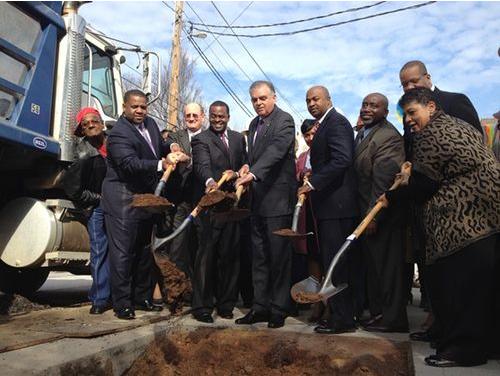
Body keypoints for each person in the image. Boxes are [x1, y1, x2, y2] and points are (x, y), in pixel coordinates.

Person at [378, 87, 500, 367]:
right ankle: (483, 345)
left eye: (412, 112)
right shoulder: (456, 125)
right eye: (405, 115)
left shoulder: (432, 134)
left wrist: (391, 195)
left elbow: (424, 185)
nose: (408, 120)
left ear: (431, 107)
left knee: (459, 288)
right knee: (482, 289)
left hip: (466, 223)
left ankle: (461, 350)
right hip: (487, 220)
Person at [101, 89, 189, 320]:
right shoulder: (118, 134)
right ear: (124, 106)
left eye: (143, 107)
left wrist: (172, 148)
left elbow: (160, 144)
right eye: (135, 107)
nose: (140, 111)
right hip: (122, 197)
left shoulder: (149, 124)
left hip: (144, 198)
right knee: (123, 252)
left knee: (143, 249)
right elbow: (129, 164)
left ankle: (142, 298)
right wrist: (162, 163)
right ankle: (122, 303)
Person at [234, 80, 296, 329]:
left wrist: (254, 173)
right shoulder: (253, 124)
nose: (258, 103)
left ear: (274, 97)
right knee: (258, 257)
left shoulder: (285, 120)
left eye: (263, 98)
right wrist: (248, 165)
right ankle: (260, 307)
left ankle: (279, 308)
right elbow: (258, 155)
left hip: (278, 201)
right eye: (254, 100)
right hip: (257, 202)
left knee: (279, 257)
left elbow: (277, 150)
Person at [298, 86, 358, 334]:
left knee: (337, 264)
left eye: (316, 99)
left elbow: (342, 159)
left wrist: (314, 182)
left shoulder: (337, 123)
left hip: (337, 206)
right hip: (329, 207)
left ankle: (342, 319)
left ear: (328, 100)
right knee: (332, 261)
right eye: (308, 100)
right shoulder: (324, 124)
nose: (312, 103)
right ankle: (337, 314)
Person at [353, 93, 407, 332]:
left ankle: (393, 319)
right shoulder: (363, 133)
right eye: (365, 104)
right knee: (374, 268)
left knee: (387, 269)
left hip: (380, 214)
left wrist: (373, 216)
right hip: (365, 212)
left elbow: (384, 179)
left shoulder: (388, 137)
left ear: (385, 112)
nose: (367, 109)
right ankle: (378, 314)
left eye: (374, 106)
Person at [190, 101, 247, 323]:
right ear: (209, 117)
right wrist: (211, 181)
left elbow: (244, 161)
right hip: (210, 205)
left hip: (231, 205)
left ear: (228, 116)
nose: (217, 120)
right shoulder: (201, 139)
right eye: (213, 116)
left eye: (221, 116)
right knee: (206, 256)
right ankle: (202, 306)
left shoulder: (237, 139)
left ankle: (226, 304)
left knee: (230, 256)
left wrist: (243, 169)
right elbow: (201, 166)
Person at [61, 107, 110, 314]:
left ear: (102, 122)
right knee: (99, 250)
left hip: (118, 205)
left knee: (120, 251)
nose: (90, 125)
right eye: (85, 124)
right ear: (82, 130)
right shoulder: (82, 154)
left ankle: (118, 295)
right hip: (97, 207)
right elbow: (73, 189)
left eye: (94, 120)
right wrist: (98, 199)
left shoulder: (114, 144)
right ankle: (99, 299)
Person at [399, 60, 483, 156]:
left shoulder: (455, 101)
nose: (409, 87)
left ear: (428, 78)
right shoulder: (407, 114)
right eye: (405, 84)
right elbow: (409, 145)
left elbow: (476, 140)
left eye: (414, 81)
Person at [164, 103, 205, 281]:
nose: (191, 119)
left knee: (200, 244)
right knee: (178, 245)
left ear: (202, 117)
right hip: (180, 199)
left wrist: (188, 160)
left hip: (202, 199)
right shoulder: (177, 136)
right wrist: (174, 148)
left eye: (195, 115)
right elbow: (168, 142)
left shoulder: (208, 137)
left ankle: (199, 289)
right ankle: (177, 286)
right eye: (188, 115)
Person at [295, 119, 323, 322]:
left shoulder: (327, 153)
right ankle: (315, 303)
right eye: (307, 135)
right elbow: (296, 176)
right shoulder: (302, 157)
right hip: (307, 213)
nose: (310, 138)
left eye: (313, 133)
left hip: (324, 212)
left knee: (327, 255)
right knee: (312, 255)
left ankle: (329, 304)